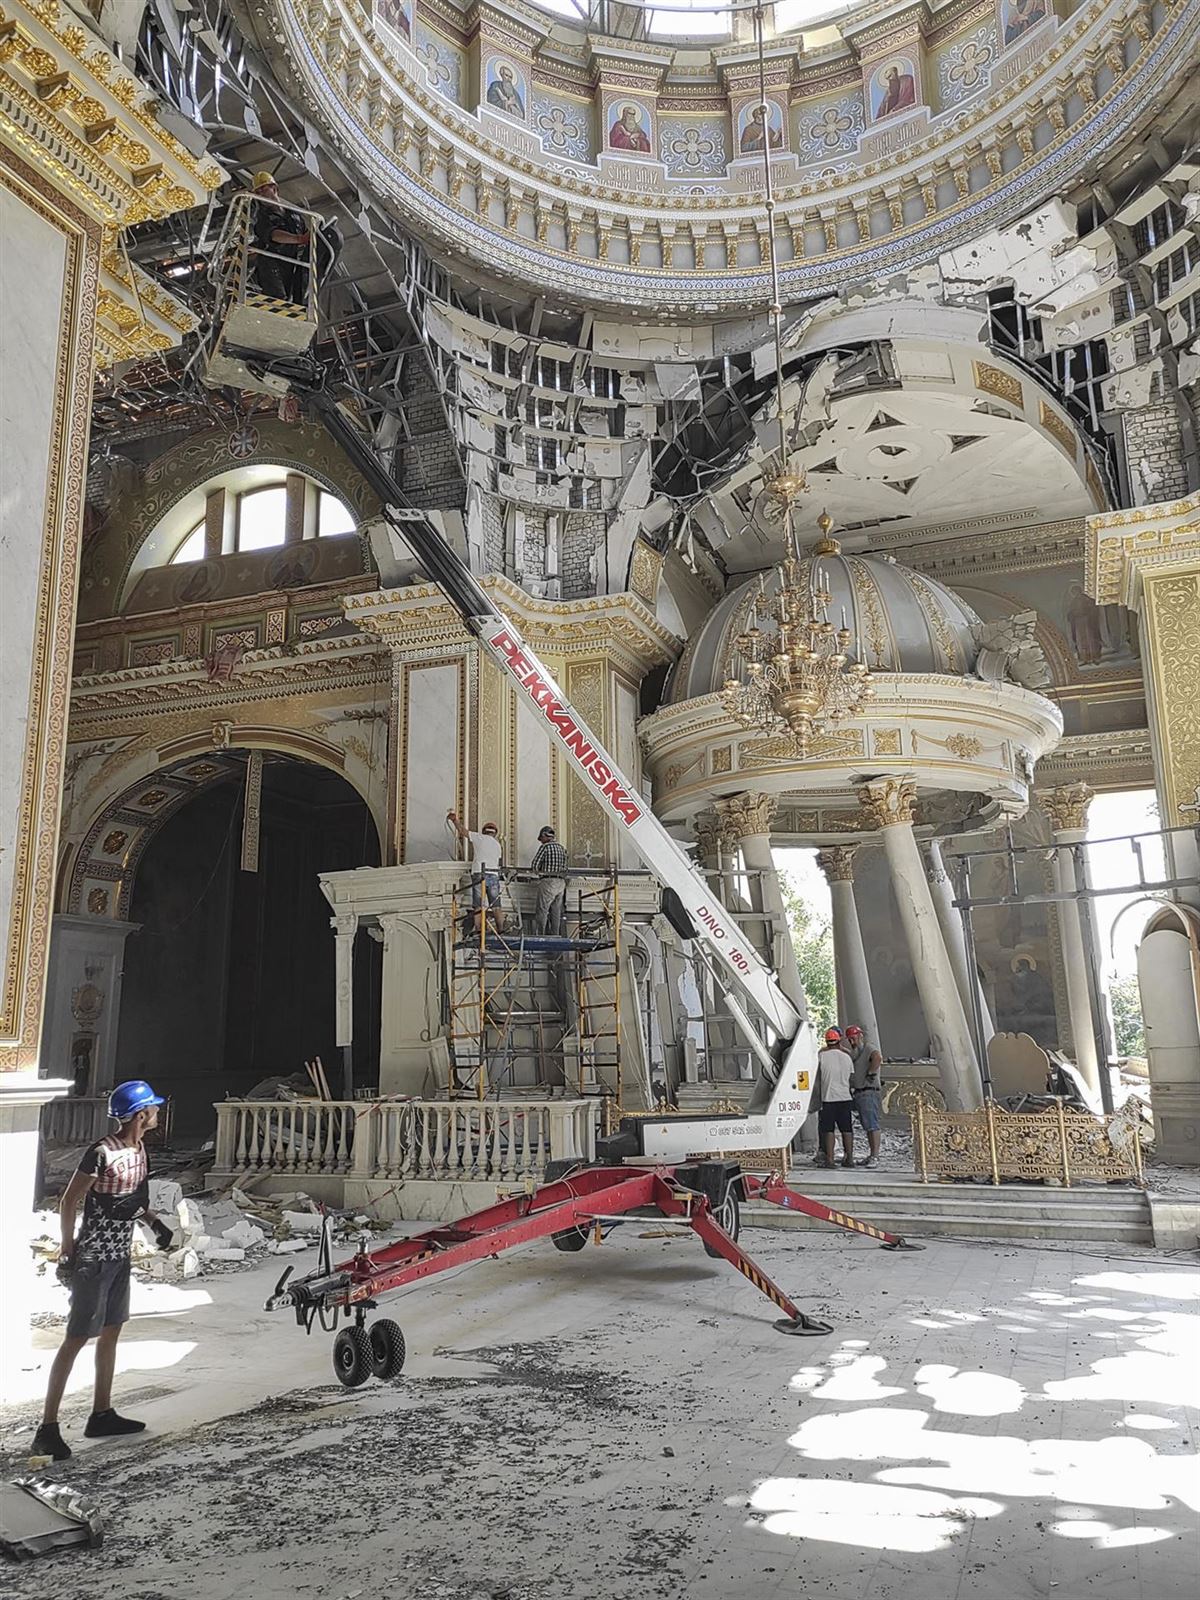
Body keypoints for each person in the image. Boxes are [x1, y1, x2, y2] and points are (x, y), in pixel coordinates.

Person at [32, 1080, 173, 1463]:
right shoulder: (101, 1153)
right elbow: (69, 1201)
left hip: (119, 1256)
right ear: (141, 1115)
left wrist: (154, 1223)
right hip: (94, 1257)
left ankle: (102, 1412)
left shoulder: (140, 1149)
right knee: (77, 1338)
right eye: (154, 1109)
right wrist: (68, 1250)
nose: (158, 1113)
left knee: (111, 1333)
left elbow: (133, 1200)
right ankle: (47, 1428)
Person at [249, 172, 310, 304]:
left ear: (275, 189)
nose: (261, 195)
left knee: (291, 299)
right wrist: (299, 239)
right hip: (271, 264)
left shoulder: (294, 214)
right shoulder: (261, 216)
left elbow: (306, 234)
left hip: (291, 262)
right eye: (258, 193)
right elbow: (274, 235)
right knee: (278, 300)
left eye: (263, 189)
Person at [447, 811, 504, 935]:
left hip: (480, 874)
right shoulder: (498, 845)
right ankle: (501, 929)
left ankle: (479, 929)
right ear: (494, 833)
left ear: (484, 831)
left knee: (478, 904)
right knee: (496, 905)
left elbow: (462, 831)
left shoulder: (479, 837)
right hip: (494, 875)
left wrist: (454, 820)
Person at [816, 1027, 855, 1170]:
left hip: (828, 1098)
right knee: (847, 1129)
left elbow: (817, 1075)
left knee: (829, 1129)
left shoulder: (821, 1056)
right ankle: (849, 1158)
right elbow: (850, 1076)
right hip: (845, 1097)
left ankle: (830, 1160)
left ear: (826, 1042)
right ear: (839, 1041)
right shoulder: (846, 1057)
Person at [846, 1024, 884, 1168]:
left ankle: (875, 1156)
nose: (852, 1042)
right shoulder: (854, 1053)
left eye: (854, 1039)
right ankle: (871, 1154)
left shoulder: (869, 1048)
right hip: (859, 1092)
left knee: (872, 1124)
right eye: (849, 1040)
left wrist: (871, 1073)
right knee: (867, 1124)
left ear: (860, 1036)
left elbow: (877, 1057)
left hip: (868, 1091)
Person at [531, 824, 569, 936]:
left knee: (542, 910)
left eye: (541, 839)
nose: (541, 841)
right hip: (561, 883)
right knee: (556, 911)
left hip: (548, 881)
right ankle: (555, 935)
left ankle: (541, 935)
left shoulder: (545, 847)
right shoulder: (562, 848)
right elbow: (566, 868)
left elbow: (534, 865)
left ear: (544, 836)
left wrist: (538, 872)